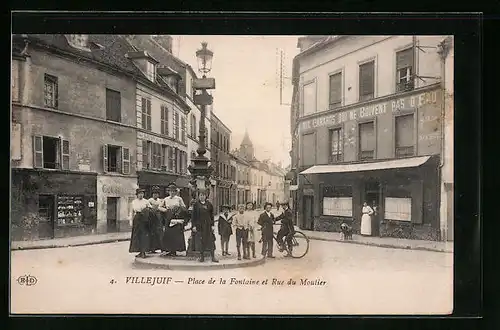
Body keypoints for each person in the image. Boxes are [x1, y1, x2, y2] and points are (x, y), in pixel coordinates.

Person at [191, 189, 218, 263]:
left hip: (208, 226)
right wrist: (193, 226)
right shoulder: (196, 205)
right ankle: (202, 257)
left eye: (203, 195)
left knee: (211, 241)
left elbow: (211, 216)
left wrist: (212, 225)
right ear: (198, 196)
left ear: (206, 196)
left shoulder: (209, 204)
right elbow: (193, 216)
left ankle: (213, 257)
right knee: (201, 241)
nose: (202, 197)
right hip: (200, 226)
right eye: (200, 195)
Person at [162, 183, 188, 256]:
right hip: (169, 217)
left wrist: (179, 210)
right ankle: (170, 250)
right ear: (168, 192)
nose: (172, 193)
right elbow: (160, 207)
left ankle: (176, 250)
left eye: (173, 191)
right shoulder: (166, 199)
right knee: (169, 234)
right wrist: (166, 210)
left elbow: (184, 207)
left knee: (176, 234)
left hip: (176, 217)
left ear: (176, 192)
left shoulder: (179, 199)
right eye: (170, 191)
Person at [128, 188, 152, 258]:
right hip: (137, 219)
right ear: (137, 195)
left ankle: (144, 251)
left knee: (144, 235)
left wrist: (147, 211)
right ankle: (139, 251)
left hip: (144, 219)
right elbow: (131, 212)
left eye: (142, 193)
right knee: (137, 235)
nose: (141, 195)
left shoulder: (146, 201)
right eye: (139, 194)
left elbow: (151, 209)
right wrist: (131, 221)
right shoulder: (134, 202)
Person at [148, 186, 165, 253]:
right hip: (152, 218)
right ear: (152, 194)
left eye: (157, 193)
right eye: (154, 193)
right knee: (152, 233)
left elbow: (162, 208)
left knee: (160, 233)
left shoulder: (160, 200)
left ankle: (162, 247)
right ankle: (152, 248)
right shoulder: (149, 200)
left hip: (159, 218)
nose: (155, 195)